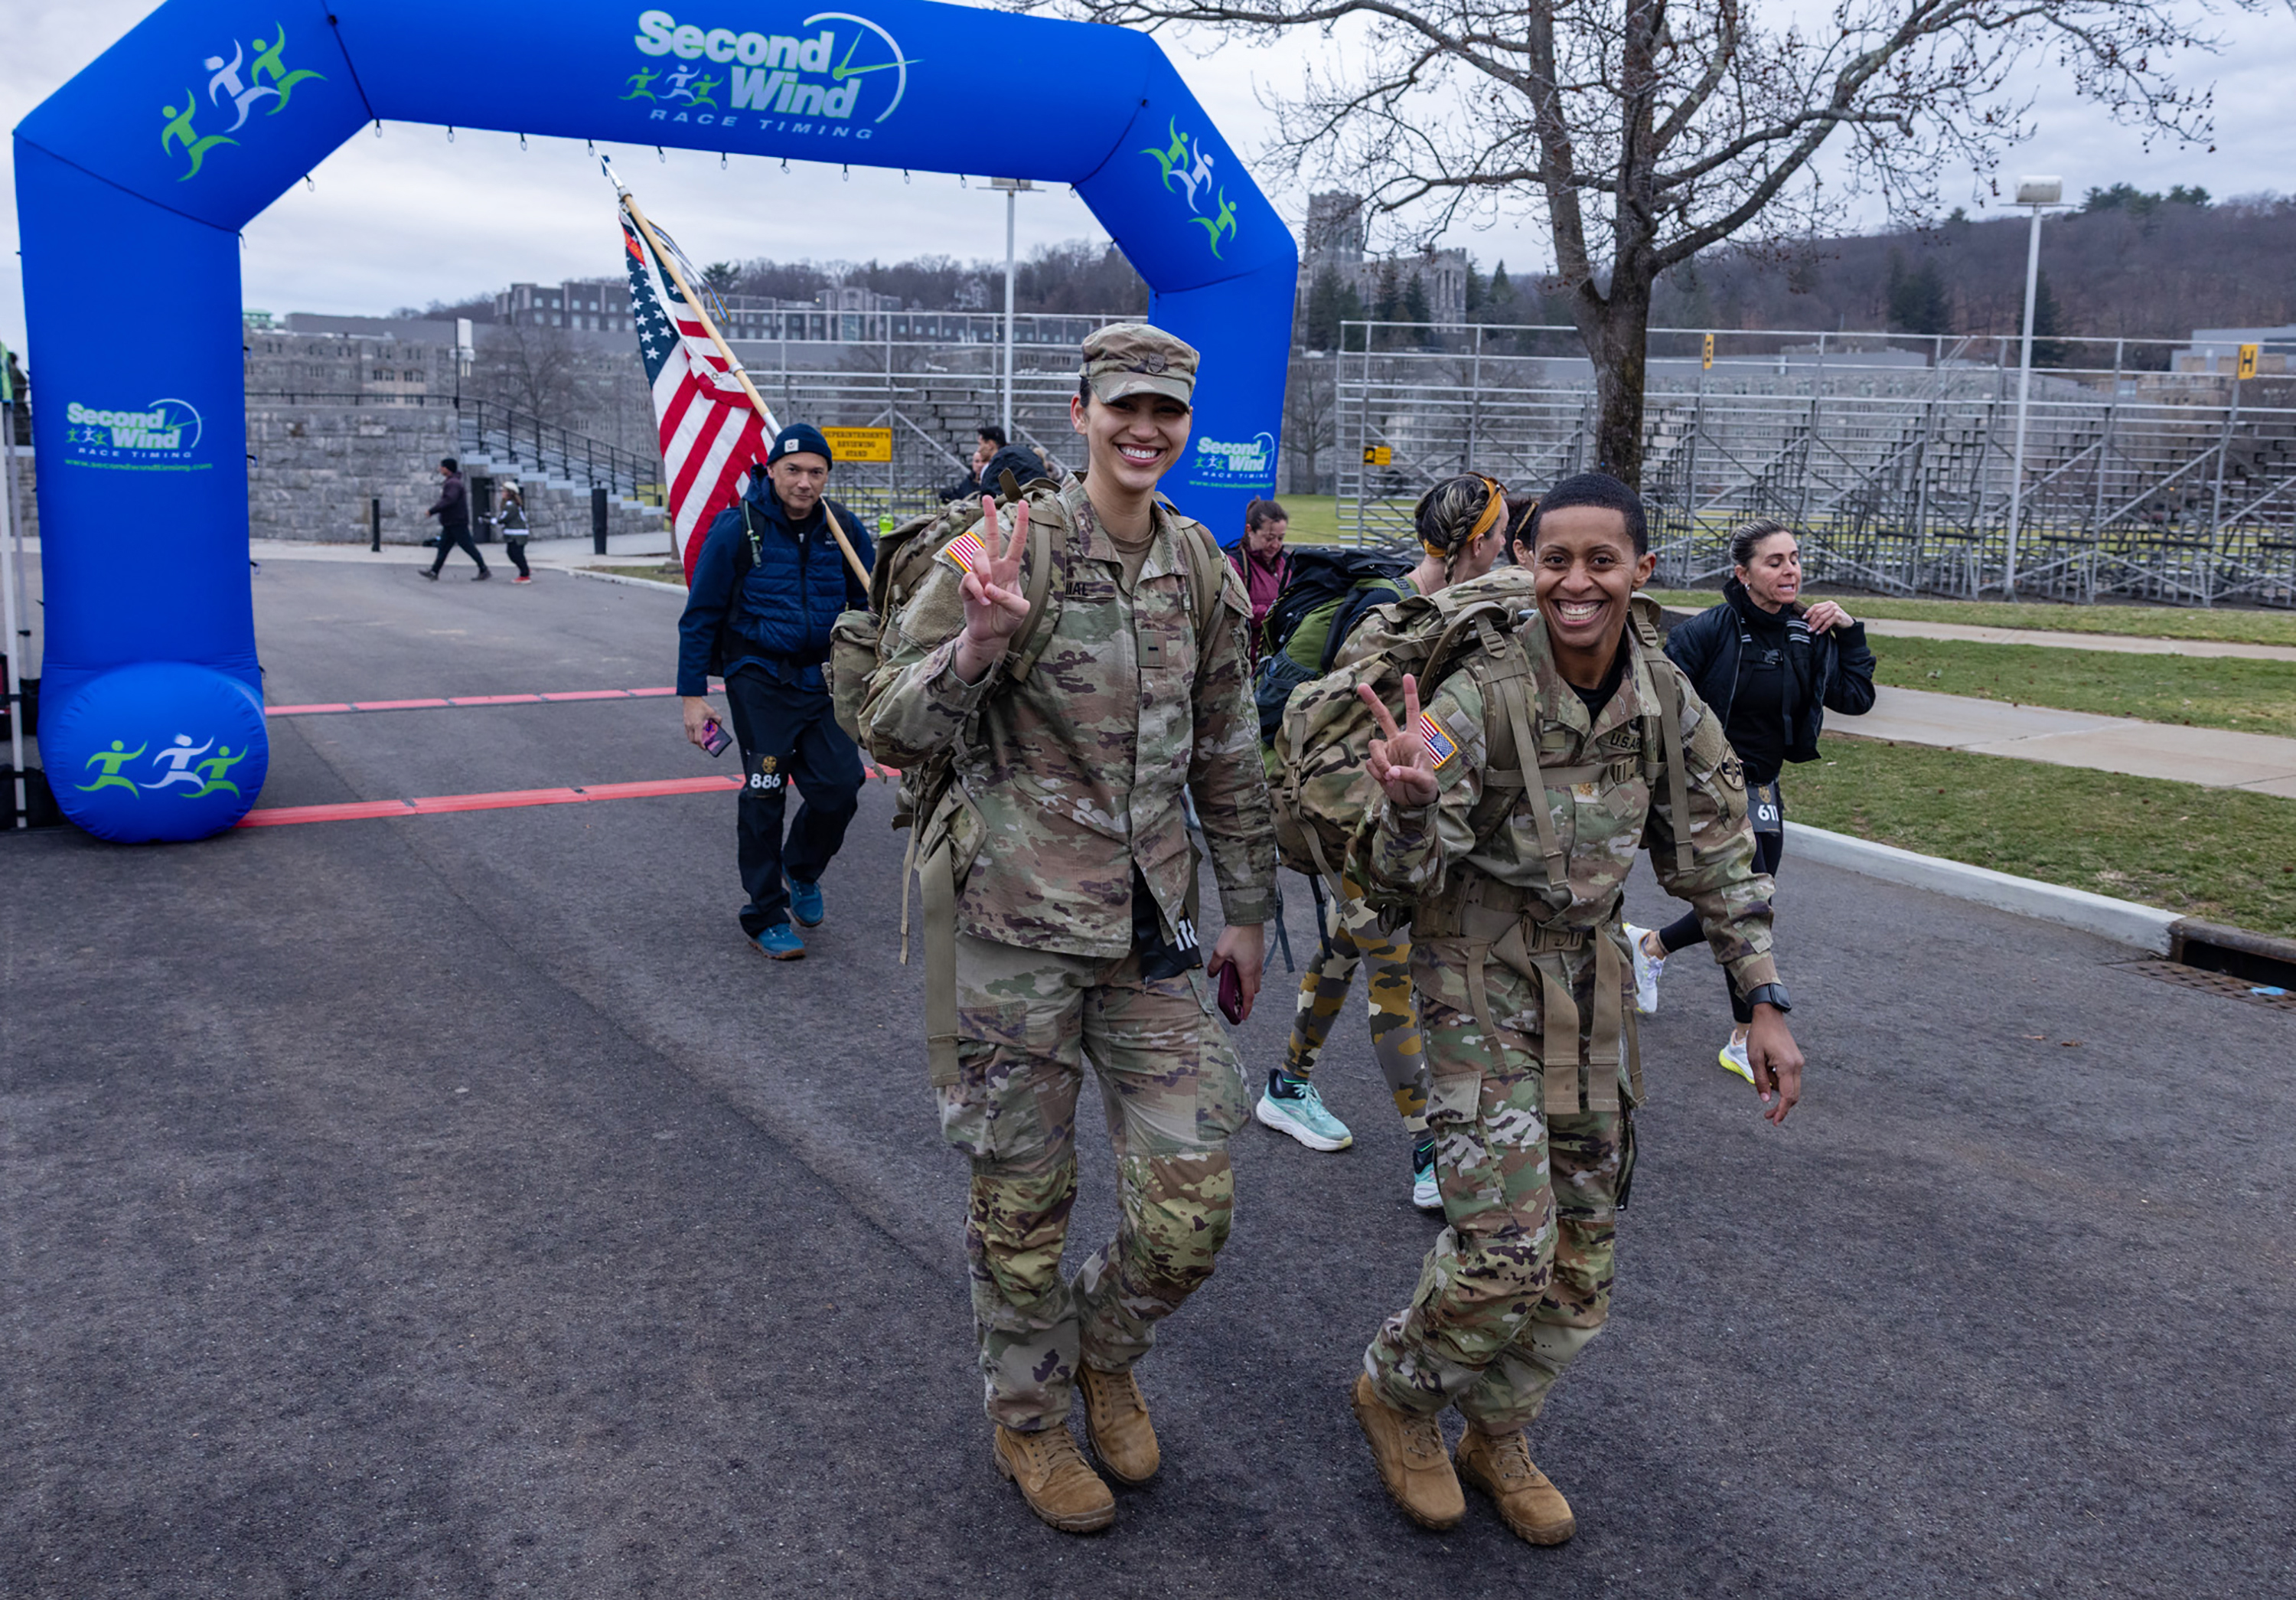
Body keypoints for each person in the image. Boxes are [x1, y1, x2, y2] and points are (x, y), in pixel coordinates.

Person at [859, 325, 1273, 1536]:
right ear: (1083, 408)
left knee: (1192, 1207)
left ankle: (1103, 1347)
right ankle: (1029, 1420)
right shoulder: (1011, 543)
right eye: (1124, 407)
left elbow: (1230, 749)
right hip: (1012, 932)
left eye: (1167, 413)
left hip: (1149, 932)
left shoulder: (1197, 562)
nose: (1145, 430)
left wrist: (1247, 907)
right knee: (1021, 1205)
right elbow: (887, 722)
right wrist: (978, 643)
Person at [1344, 471, 1802, 1546]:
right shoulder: (1480, 696)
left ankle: (1496, 1429)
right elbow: (1395, 876)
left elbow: (1724, 859)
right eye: (1556, 558)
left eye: (1603, 559)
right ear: (1528, 567)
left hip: (1589, 990)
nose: (1578, 580)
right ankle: (1398, 1391)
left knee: (1584, 1261)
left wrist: (1762, 1001)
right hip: (1473, 976)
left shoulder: (1664, 701)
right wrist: (1410, 807)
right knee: (1505, 1252)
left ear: (1643, 571)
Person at [1260, 475, 1511, 1213]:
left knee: (1345, 947)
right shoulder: (1393, 613)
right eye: (1499, 539)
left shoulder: (1448, 606)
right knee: (1393, 973)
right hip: (1354, 821)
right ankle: (1430, 1149)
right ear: (1472, 545)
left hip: (1387, 820)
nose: (1507, 550)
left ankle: (1287, 1085)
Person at [1626, 518, 1874, 1077]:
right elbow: (1659, 705)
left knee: (1756, 902)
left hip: (1760, 785)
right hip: (1705, 786)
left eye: (1794, 559)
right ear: (1743, 573)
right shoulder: (1706, 632)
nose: (1790, 571)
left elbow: (1856, 698)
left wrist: (1850, 634)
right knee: (1750, 905)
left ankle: (1650, 948)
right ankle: (1743, 1035)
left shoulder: (1806, 633)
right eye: (1775, 561)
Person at [677, 423, 876, 960]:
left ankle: (801, 868)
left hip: (825, 681)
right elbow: (700, 617)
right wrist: (693, 696)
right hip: (759, 679)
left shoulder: (844, 529)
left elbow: (871, 601)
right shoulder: (737, 530)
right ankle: (764, 912)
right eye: (794, 470)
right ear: (771, 471)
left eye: (816, 472)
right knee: (765, 791)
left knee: (841, 787)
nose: (805, 483)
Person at [1230, 498, 1293, 641]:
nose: (1276, 545)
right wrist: (1280, 614)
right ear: (1249, 530)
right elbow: (1237, 611)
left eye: (1280, 538)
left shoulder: (1288, 563)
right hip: (1250, 658)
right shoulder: (1235, 565)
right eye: (1269, 538)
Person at [419, 458, 488, 580]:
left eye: (442, 467)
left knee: (468, 546)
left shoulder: (453, 484)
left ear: (447, 468)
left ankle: (484, 569)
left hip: (456, 521)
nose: (440, 469)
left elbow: (449, 500)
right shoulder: (452, 482)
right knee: (444, 548)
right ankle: (434, 571)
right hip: (452, 522)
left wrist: (432, 510)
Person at [938, 423, 1010, 503]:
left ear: (990, 445)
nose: (979, 450)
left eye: (980, 444)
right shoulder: (969, 481)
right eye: (976, 461)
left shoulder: (1002, 468)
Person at [497, 483, 533, 583]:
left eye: (504, 491)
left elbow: (503, 519)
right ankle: (525, 569)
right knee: (512, 554)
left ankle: (525, 575)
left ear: (510, 493)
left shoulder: (511, 505)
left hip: (518, 535)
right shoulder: (510, 504)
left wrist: (490, 521)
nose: (502, 493)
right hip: (514, 534)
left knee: (517, 554)